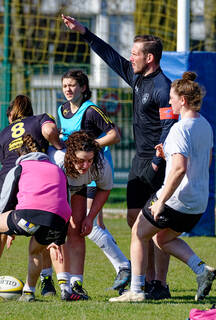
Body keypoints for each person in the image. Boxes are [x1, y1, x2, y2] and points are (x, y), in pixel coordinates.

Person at [61, 14, 178, 299]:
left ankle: (158, 283)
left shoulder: (163, 88)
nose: (130, 57)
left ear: (149, 58)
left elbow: (169, 126)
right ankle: (148, 279)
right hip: (139, 160)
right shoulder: (137, 78)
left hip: (156, 161)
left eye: (135, 53)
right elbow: (110, 56)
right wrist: (84, 32)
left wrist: (157, 160)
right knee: (134, 220)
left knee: (155, 221)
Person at [109, 72, 216, 302]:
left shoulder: (179, 129)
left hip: (176, 199)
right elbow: (203, 162)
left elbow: (179, 170)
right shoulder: (205, 125)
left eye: (172, 98)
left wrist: (161, 201)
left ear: (183, 101)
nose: (169, 102)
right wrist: (166, 153)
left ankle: (136, 291)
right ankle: (201, 269)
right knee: (163, 239)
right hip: (198, 202)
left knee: (138, 232)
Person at [57, 69, 130, 295]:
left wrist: (89, 150)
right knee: (81, 227)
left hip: (95, 171)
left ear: (83, 88)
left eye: (73, 85)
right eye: (65, 86)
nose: (68, 89)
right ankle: (121, 267)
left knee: (90, 226)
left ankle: (124, 266)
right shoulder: (62, 111)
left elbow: (115, 135)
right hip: (75, 173)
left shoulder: (91, 110)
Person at [0, 134, 77, 302]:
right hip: (57, 222)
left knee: (5, 228)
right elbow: (65, 201)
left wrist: (8, 230)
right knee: (36, 249)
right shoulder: (57, 169)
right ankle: (34, 292)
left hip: (27, 218)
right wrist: (59, 236)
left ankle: (29, 293)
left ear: (20, 154)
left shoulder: (20, 168)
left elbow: (4, 201)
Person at [0, 94, 63, 296]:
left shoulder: (4, 132)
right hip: (36, 180)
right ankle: (46, 282)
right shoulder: (39, 118)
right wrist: (58, 145)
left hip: (10, 179)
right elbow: (49, 130)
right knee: (41, 227)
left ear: (11, 115)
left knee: (2, 227)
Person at [48, 131, 114, 300]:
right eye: (81, 160)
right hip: (52, 187)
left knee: (77, 230)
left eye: (89, 160)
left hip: (78, 187)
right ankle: (51, 280)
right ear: (70, 156)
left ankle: (76, 285)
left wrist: (90, 217)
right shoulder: (57, 161)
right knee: (53, 232)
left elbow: (104, 189)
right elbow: (55, 202)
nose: (86, 165)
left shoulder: (100, 164)